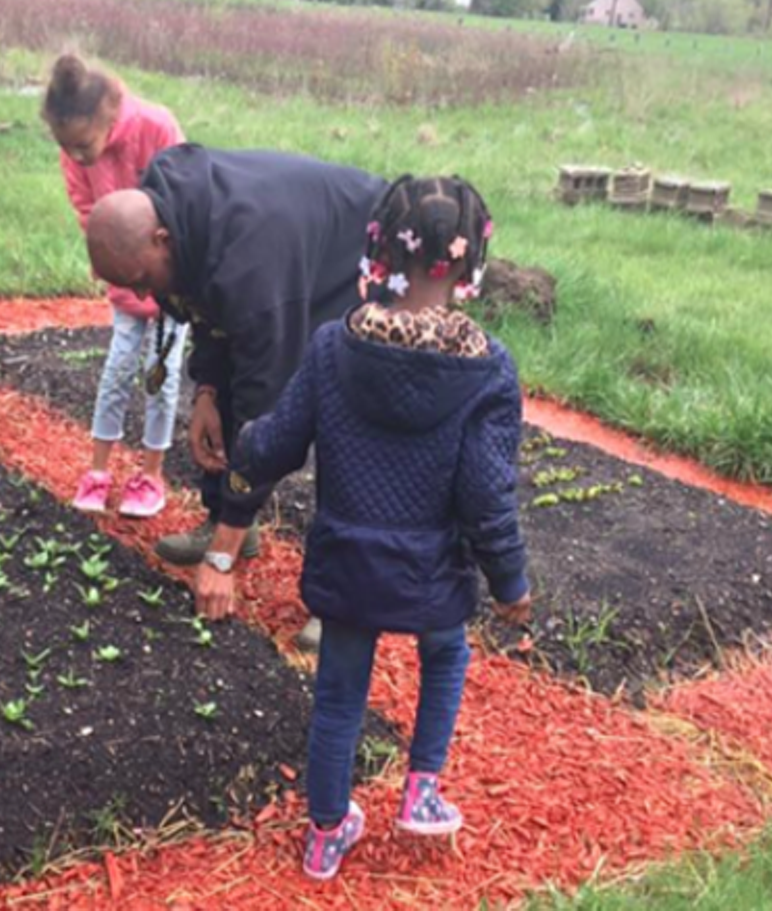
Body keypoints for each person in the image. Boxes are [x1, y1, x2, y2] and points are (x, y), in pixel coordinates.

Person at [230, 175, 533, 881]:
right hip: (433, 573)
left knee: (339, 695)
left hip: (348, 565)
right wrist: (510, 580)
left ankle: (326, 833)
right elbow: (486, 492)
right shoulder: (488, 370)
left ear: (379, 249)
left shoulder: (336, 346)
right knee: (446, 654)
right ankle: (421, 791)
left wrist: (237, 449)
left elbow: (276, 444)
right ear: (468, 263)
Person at [85, 146, 387, 644]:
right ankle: (233, 525)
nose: (141, 296)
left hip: (359, 261)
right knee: (227, 402)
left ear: (161, 240)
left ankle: (341, 595)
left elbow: (265, 401)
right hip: (285, 258)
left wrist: (218, 559)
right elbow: (208, 302)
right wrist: (205, 389)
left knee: (342, 418)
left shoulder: (251, 262)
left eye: (140, 281)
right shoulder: (172, 206)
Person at [42, 52, 188, 518]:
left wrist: (168, 264)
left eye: (85, 145)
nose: (80, 157)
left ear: (106, 117)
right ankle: (99, 471)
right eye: (70, 150)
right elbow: (86, 207)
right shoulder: (74, 152)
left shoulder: (156, 126)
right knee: (118, 366)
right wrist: (103, 251)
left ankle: (151, 476)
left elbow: (185, 195)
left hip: (169, 274)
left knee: (161, 377)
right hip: (124, 274)